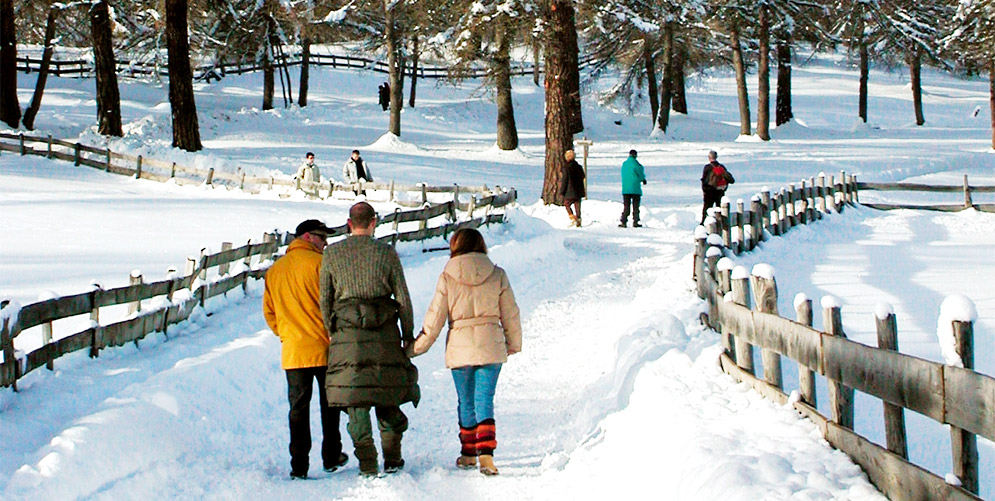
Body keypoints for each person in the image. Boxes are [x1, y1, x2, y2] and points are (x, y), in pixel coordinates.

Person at [320, 202, 420, 477]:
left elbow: (324, 299)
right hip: (384, 334)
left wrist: (333, 329)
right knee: (386, 392)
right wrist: (407, 335)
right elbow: (403, 299)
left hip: (347, 336)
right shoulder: (386, 254)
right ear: (374, 222)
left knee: (356, 398)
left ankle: (366, 462)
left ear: (349, 223)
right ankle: (392, 458)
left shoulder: (332, 254)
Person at [412, 228, 522, 476]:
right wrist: (513, 343)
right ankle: (486, 456)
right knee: (485, 400)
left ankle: (468, 454)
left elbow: (435, 318)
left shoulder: (447, 277)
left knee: (466, 401)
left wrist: (416, 348)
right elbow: (511, 313)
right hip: (491, 346)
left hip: (460, 347)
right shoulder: (497, 274)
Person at [263, 219, 348, 480]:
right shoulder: (321, 265)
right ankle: (331, 456)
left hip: (293, 351)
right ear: (310, 237)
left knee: (297, 410)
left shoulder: (275, 270)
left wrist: (285, 334)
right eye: (323, 239)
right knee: (329, 405)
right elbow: (336, 303)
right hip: (324, 347)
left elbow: (270, 313)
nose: (326, 244)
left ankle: (299, 465)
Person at [700, 150, 735, 222]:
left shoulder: (707, 167)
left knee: (707, 208)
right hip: (720, 191)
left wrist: (705, 190)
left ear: (709, 157)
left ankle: (704, 223)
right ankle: (721, 223)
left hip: (709, 192)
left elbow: (704, 180)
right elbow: (730, 179)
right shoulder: (721, 167)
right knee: (720, 208)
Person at [620, 149, 647, 228]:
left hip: (626, 189)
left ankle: (624, 221)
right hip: (635, 189)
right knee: (635, 206)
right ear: (635, 155)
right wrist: (643, 180)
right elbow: (640, 173)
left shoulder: (624, 164)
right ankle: (635, 221)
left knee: (626, 206)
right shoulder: (637, 165)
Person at [558, 149, 586, 227]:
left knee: (567, 204)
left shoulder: (566, 168)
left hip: (569, 191)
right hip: (579, 190)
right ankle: (579, 219)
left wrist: (562, 191)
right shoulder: (579, 167)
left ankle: (572, 217)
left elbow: (565, 180)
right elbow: (583, 176)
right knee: (577, 205)